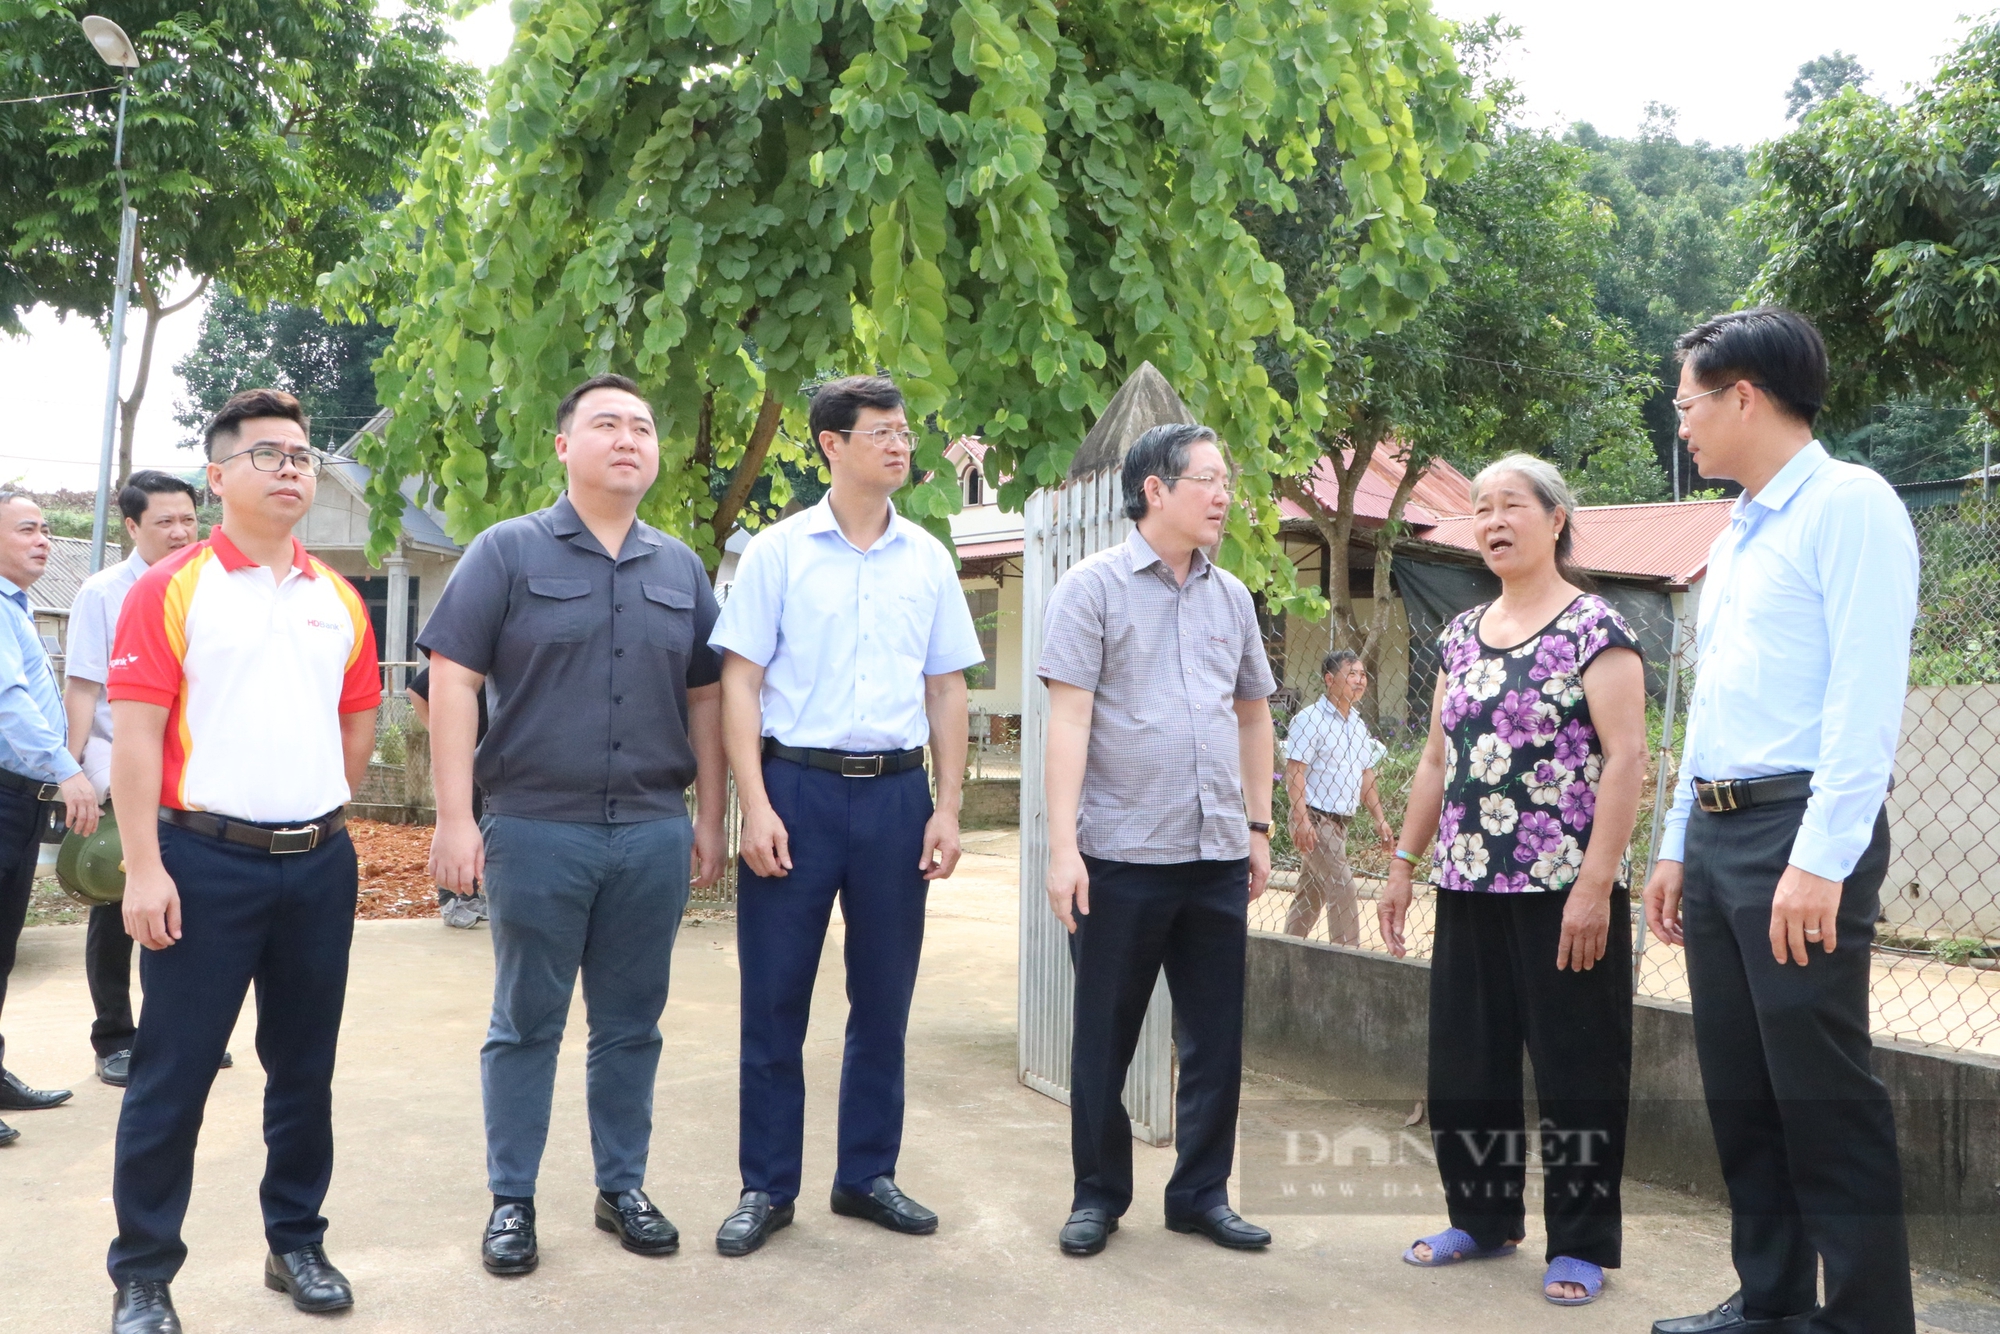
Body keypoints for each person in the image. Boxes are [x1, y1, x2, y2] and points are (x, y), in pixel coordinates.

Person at [1644, 309, 1919, 1334]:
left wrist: (1819, 860)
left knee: (1819, 1092)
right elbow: (1715, 703)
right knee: (1741, 1083)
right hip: (1720, 834)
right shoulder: (1741, 529)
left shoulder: (1849, 506)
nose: (1682, 426)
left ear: (1743, 395)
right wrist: (1677, 840)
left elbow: (1862, 699)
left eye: (1686, 403)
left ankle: (1860, 1317)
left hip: (1796, 832)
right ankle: (1768, 1300)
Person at [422, 373, 727, 1278]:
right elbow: (452, 682)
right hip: (536, 828)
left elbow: (707, 697)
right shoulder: (505, 553)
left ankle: (620, 1186)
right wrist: (454, 819)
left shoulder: (680, 567)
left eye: (642, 425)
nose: (628, 438)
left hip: (649, 830)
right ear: (565, 446)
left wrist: (711, 813)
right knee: (526, 1023)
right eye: (606, 424)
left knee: (633, 1023)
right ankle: (511, 1200)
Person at [104, 389, 381, 1332]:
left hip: (317, 865)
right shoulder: (171, 588)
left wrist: (305, 810)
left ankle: (295, 1240)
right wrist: (145, 867)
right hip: (199, 865)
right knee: (172, 1074)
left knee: (303, 1067)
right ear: (218, 475)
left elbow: (357, 727)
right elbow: (135, 739)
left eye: (302, 454)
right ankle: (143, 1272)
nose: (293, 468)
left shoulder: (339, 597)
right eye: (269, 454)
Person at [707, 374, 981, 1257]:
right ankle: (766, 1186)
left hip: (899, 799)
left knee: (884, 999)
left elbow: (946, 689)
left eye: (905, 432)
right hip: (799, 792)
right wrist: (755, 803)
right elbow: (739, 683)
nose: (901, 446)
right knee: (775, 997)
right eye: (882, 433)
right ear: (832, 443)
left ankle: (867, 1174)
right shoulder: (780, 554)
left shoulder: (929, 559)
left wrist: (948, 807)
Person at [1380, 454, 1646, 1307]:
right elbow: (1433, 761)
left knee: (1577, 1070)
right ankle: (1483, 1218)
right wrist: (1403, 865)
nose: (1493, 521)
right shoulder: (1460, 634)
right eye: (1480, 509)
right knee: (1467, 1065)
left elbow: (1626, 760)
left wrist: (1595, 886)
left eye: (1512, 507)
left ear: (1556, 519)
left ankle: (1581, 1245)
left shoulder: (1595, 629)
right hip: (1466, 886)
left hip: (1565, 892)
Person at [1037, 421, 1277, 1259]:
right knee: (1105, 1034)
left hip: (1215, 855)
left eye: (1226, 480)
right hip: (1119, 857)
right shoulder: (1092, 587)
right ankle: (1098, 1195)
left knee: (1214, 1038)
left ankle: (1201, 1195)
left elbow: (1252, 714)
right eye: (1208, 480)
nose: (1223, 495)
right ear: (1156, 490)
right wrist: (1062, 850)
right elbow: (1067, 719)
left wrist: (1257, 824)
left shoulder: (1232, 597)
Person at [61, 470, 235, 1084]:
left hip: (197, 772)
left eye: (188, 518)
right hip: (121, 765)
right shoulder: (104, 591)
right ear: (132, 527)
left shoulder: (215, 587)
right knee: (119, 898)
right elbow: (83, 684)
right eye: (164, 522)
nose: (180, 531)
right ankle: (114, 1035)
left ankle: (184, 1030)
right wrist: (71, 771)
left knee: (195, 900)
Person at [0, 491, 99, 1147]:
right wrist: (66, 768)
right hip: (8, 789)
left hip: (19, 798)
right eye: (27, 529)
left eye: (45, 529)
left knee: (3, 950)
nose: (43, 539)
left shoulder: (18, 607)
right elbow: (8, 704)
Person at [1281, 649, 1394, 943]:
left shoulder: (1357, 725)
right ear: (1330, 679)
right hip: (1314, 819)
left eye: (1362, 674)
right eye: (1351, 674)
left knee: (1310, 895)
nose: (1359, 681)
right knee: (1342, 885)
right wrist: (1301, 819)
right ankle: (1348, 958)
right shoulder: (1309, 719)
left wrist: (1380, 819)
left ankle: (1287, 951)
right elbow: (1295, 771)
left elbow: (1366, 775)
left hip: (1339, 824)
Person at [403, 660, 488, 928]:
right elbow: (417, 690)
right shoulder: (473, 663)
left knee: (485, 828)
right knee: (461, 826)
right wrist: (443, 736)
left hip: (493, 761)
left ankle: (472, 895)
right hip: (466, 762)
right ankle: (451, 898)